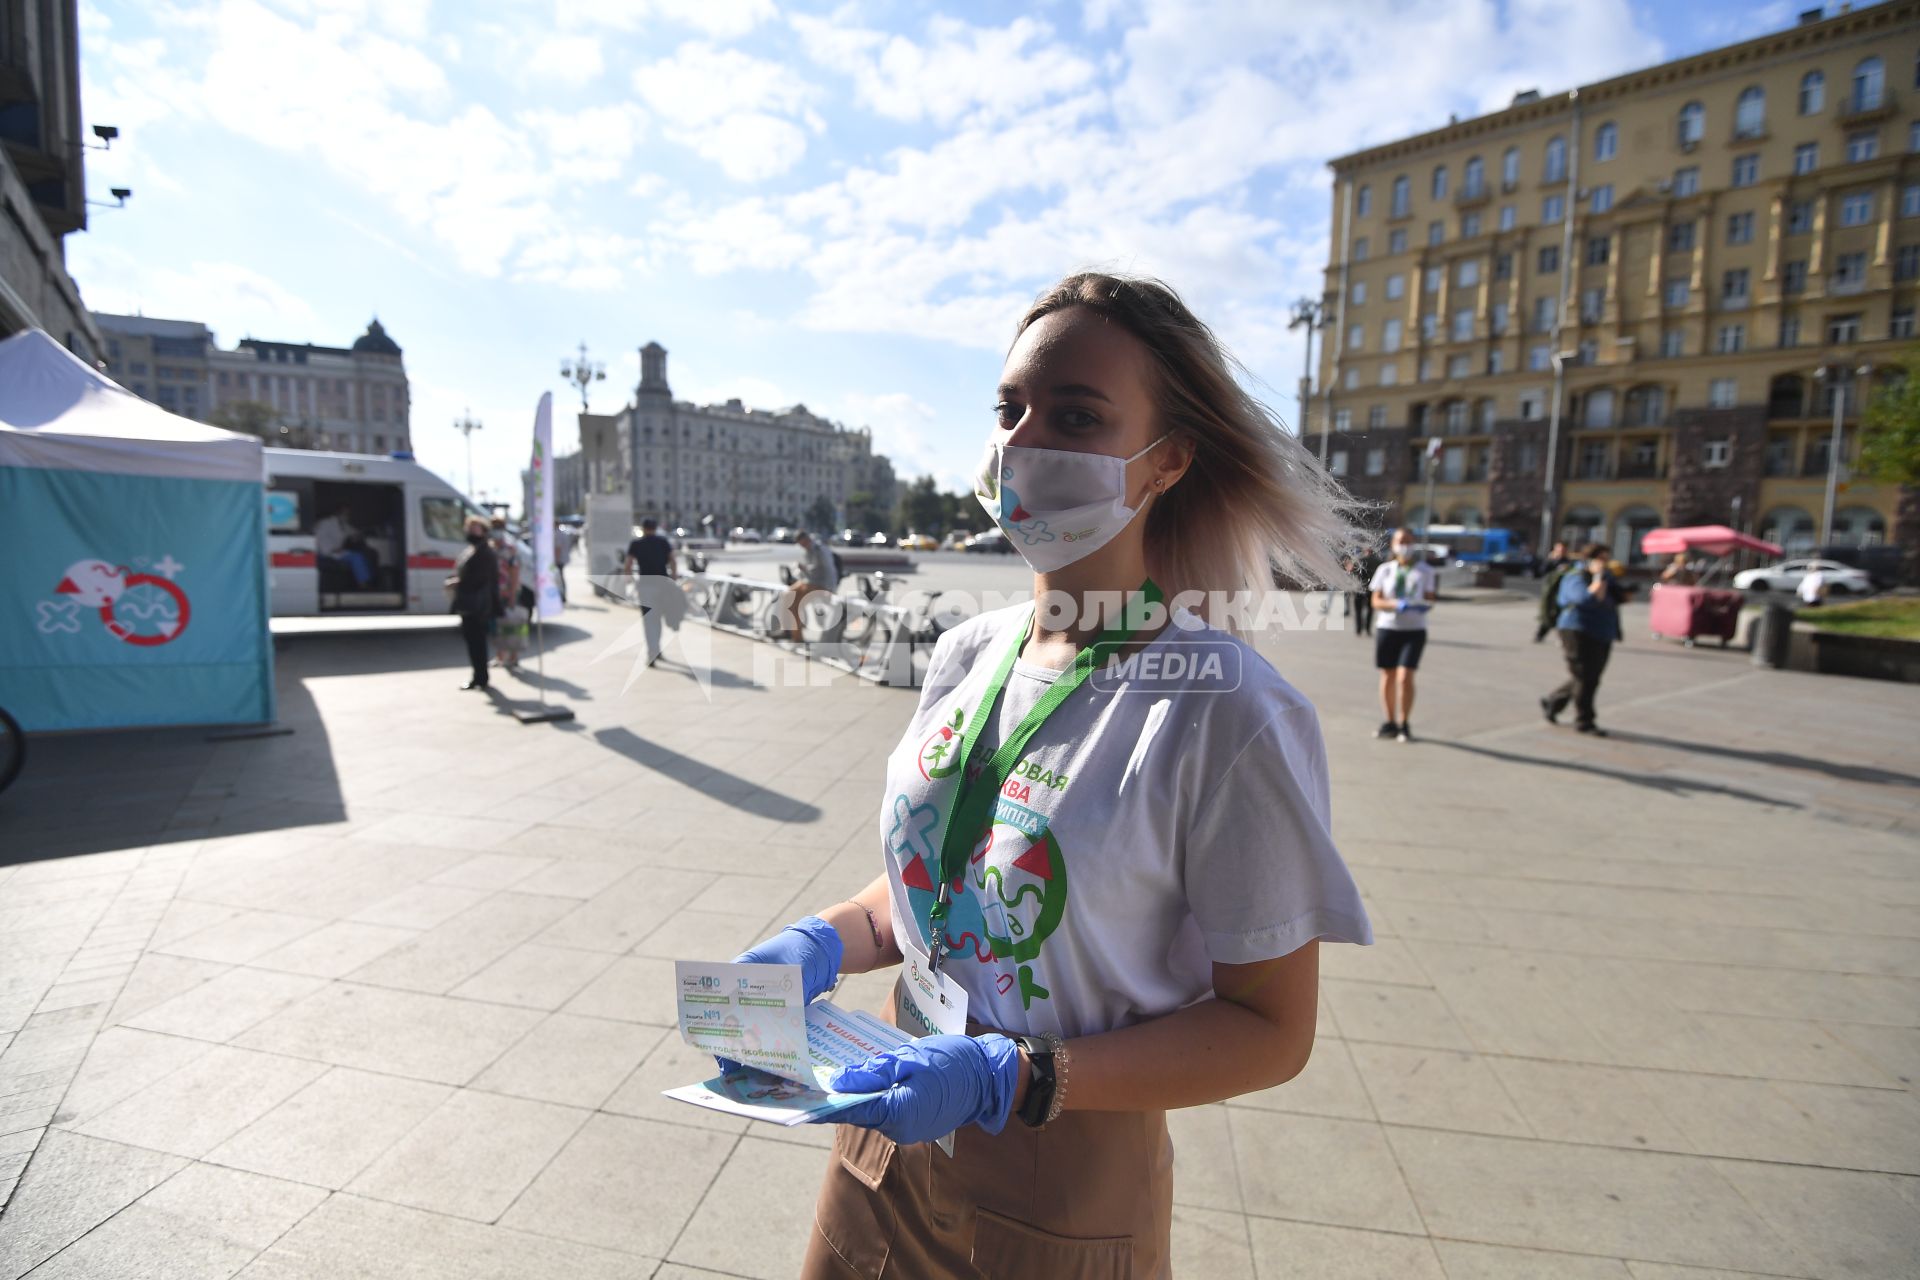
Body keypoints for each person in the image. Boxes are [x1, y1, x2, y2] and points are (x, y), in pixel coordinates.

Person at [733, 273, 1371, 1279]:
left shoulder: (1231, 710)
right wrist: (826, 937)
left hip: (1065, 1181)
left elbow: (1271, 1028)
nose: (1025, 443)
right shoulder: (966, 652)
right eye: (1009, 409)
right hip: (882, 1132)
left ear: (1166, 461)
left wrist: (1018, 1073)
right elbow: (937, 886)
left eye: (1076, 415)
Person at [1542, 542, 1622, 736]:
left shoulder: (1607, 577)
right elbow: (1584, 599)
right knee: (1586, 677)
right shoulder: (1574, 577)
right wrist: (1597, 577)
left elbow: (1618, 598)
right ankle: (1584, 721)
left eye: (1606, 558)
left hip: (1602, 631)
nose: (1605, 562)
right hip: (1576, 630)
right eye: (1601, 558)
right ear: (1590, 559)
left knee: (1588, 675)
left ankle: (1554, 700)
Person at [1368, 528, 1436, 742]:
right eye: (1400, 541)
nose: (1404, 545)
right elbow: (1375, 601)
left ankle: (1404, 723)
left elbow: (1430, 599)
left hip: (1414, 630)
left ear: (1414, 544)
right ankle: (1390, 722)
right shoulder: (1385, 570)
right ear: (1393, 545)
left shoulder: (1425, 571)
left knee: (1405, 676)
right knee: (1387, 675)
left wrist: (1422, 605)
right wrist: (1396, 604)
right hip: (1388, 628)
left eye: (1408, 541)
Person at [446, 515, 497, 691]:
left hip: (477, 604)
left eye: (475, 528)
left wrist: (458, 582)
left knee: (477, 642)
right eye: (469, 528)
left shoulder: (484, 551)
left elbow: (479, 578)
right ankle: (478, 676)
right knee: (473, 641)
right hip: (469, 602)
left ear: (483, 531)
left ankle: (480, 678)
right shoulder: (473, 549)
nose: (470, 531)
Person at [623, 518, 678, 665]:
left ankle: (652, 652)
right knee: (658, 619)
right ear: (655, 528)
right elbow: (673, 561)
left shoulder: (636, 544)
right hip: (662, 586)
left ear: (643, 528)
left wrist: (630, 580)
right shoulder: (663, 542)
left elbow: (628, 564)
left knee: (649, 621)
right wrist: (673, 579)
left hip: (645, 586)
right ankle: (657, 650)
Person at [778, 529, 842, 644]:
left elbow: (826, 571)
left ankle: (797, 637)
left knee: (795, 604)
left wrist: (831, 589)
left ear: (807, 540)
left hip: (822, 585)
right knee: (787, 594)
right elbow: (810, 572)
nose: (801, 546)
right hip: (810, 581)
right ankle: (786, 630)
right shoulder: (808, 551)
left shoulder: (819, 550)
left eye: (802, 543)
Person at [490, 515, 527, 671]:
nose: (495, 532)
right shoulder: (490, 548)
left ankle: (514, 657)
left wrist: (512, 596)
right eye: (493, 528)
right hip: (494, 594)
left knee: (513, 625)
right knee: (497, 626)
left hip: (508, 592)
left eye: (497, 528)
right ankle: (500, 655)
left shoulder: (510, 549)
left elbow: (515, 573)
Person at [314, 502, 375, 589]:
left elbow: (353, 532)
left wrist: (358, 535)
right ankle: (363, 584)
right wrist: (331, 550)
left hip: (338, 551)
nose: (347, 516)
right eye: (345, 513)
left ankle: (369, 581)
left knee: (367, 554)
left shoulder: (343, 524)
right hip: (326, 552)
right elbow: (320, 538)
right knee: (356, 557)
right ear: (338, 512)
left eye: (348, 514)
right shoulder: (326, 523)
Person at [1533, 540, 1574, 642]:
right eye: (1559, 549)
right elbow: (1540, 572)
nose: (1561, 551)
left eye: (1563, 550)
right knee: (1547, 613)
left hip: (1563, 592)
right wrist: (1550, 561)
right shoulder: (1550, 561)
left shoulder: (1569, 562)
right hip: (1550, 592)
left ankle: (1562, 637)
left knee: (1561, 614)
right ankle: (1540, 634)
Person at [1349, 543, 1381, 637]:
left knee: (1358, 610)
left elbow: (1352, 571)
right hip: (1372, 588)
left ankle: (1358, 629)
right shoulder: (1378, 561)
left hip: (1359, 587)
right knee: (1370, 610)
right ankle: (1367, 629)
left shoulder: (1359, 560)